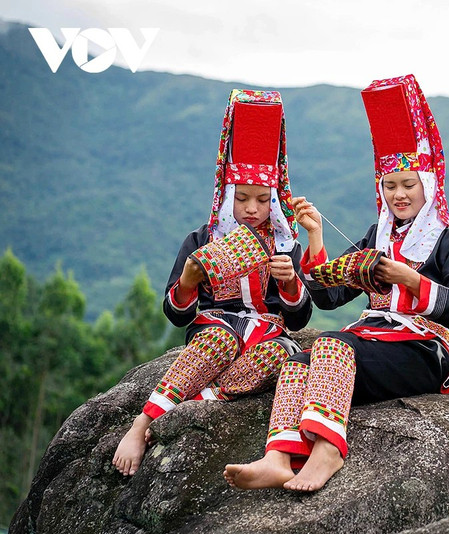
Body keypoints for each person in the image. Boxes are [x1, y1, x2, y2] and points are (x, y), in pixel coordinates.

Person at [223, 74, 449, 492]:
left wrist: (411, 279)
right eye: (390, 186)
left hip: (423, 352)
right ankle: (278, 457)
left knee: (333, 343)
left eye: (408, 185)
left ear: (429, 186)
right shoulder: (375, 236)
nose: (398, 196)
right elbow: (329, 297)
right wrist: (315, 237)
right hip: (374, 345)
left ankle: (327, 452)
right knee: (298, 362)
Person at [112, 90, 312, 476]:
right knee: (218, 342)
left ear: (273, 202)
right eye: (242, 199)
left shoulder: (286, 245)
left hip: (267, 332)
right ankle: (142, 424)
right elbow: (175, 312)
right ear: (226, 199)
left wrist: (289, 285)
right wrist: (188, 280)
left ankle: (197, 401)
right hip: (216, 326)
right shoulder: (201, 240)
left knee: (280, 356)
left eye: (260, 200)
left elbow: (300, 317)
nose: (251, 209)